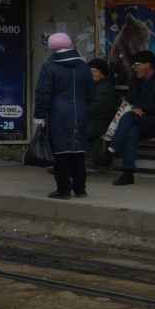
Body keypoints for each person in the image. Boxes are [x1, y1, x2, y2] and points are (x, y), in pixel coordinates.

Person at [33, 32, 96, 199]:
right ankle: (80, 189)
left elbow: (43, 95)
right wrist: (81, 106)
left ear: (52, 49)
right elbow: (91, 93)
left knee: (59, 152)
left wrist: (39, 117)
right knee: (77, 150)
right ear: (69, 45)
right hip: (80, 111)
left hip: (57, 113)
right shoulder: (84, 67)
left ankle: (63, 189)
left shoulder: (49, 67)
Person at [108, 49, 155, 185]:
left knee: (130, 117)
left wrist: (142, 109)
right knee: (132, 130)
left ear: (147, 65)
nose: (133, 67)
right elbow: (131, 101)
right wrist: (137, 109)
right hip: (139, 119)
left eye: (136, 64)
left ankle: (110, 152)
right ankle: (128, 173)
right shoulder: (135, 81)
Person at [87, 59, 121, 167]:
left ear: (103, 73)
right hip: (93, 120)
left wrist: (76, 113)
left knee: (76, 131)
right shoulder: (95, 85)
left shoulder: (105, 88)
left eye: (95, 71)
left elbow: (94, 109)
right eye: (90, 71)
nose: (92, 74)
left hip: (102, 122)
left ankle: (72, 165)